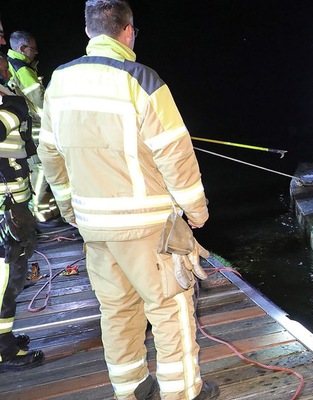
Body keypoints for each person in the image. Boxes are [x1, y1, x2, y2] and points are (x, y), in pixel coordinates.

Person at [38, 1, 218, 399]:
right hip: (146, 228)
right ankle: (182, 392)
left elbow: (50, 156)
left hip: (94, 227)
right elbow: (174, 152)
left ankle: (131, 389)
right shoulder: (141, 79)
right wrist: (196, 211)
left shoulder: (59, 81)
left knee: (117, 311)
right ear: (128, 31)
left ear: (89, 32)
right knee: (170, 311)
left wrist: (70, 208)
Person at [0, 16, 44, 373]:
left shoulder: (5, 81)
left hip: (14, 198)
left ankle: (7, 340)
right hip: (4, 203)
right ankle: (3, 351)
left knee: (14, 273)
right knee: (6, 279)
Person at [6, 30, 60, 224]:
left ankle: (45, 211)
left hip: (22, 128)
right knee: (41, 169)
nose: (36, 53)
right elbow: (40, 102)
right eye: (33, 49)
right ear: (22, 48)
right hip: (35, 128)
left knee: (34, 170)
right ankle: (40, 213)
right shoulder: (23, 70)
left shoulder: (12, 65)